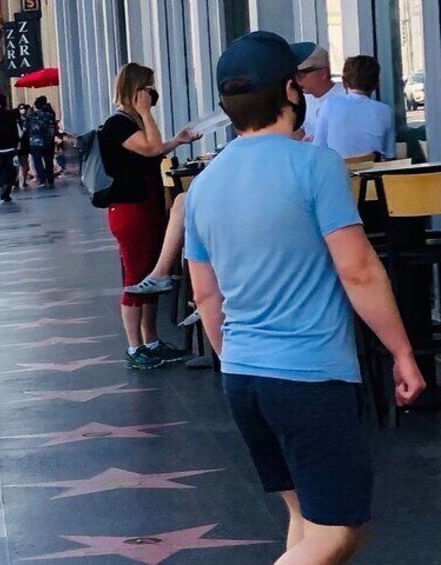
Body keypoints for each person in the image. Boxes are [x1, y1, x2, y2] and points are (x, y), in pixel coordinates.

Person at [186, 31, 425, 563]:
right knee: (339, 530)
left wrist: (239, 362)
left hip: (244, 377)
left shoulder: (202, 186)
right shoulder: (315, 166)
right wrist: (402, 353)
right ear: (291, 91)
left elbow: (205, 296)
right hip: (309, 377)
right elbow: (358, 270)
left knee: (306, 520)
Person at [98, 62, 200, 370]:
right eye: (147, 87)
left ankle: (151, 340)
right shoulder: (119, 123)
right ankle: (134, 347)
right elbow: (151, 148)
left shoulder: (131, 122)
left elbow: (153, 150)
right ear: (135, 89)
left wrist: (177, 141)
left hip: (147, 204)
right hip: (130, 209)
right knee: (134, 276)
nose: (152, 94)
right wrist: (146, 113)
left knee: (151, 276)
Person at [314, 55, 396, 160]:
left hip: (338, 172)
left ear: (344, 82)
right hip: (372, 173)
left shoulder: (329, 105)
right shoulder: (385, 111)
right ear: (377, 83)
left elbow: (318, 148)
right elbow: (390, 155)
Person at [289, 42, 346, 141]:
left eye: (300, 75)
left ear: (323, 73)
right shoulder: (302, 100)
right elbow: (301, 131)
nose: (296, 80)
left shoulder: (346, 97)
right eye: (293, 76)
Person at [0, 94, 20, 203]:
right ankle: (8, 188)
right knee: (12, 170)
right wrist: (15, 144)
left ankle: (3, 187)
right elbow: (15, 131)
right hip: (11, 148)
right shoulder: (11, 116)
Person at [24, 97, 57, 188]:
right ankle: (50, 179)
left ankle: (41, 179)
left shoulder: (30, 116)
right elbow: (52, 130)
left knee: (37, 161)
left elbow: (26, 129)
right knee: (48, 161)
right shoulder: (49, 115)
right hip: (47, 142)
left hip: (34, 142)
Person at [16, 103, 33, 189]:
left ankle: (23, 180)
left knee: (23, 162)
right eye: (20, 108)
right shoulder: (20, 121)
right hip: (21, 144)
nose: (22, 110)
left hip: (22, 144)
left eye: (23, 108)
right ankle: (19, 180)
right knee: (19, 163)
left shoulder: (27, 119)